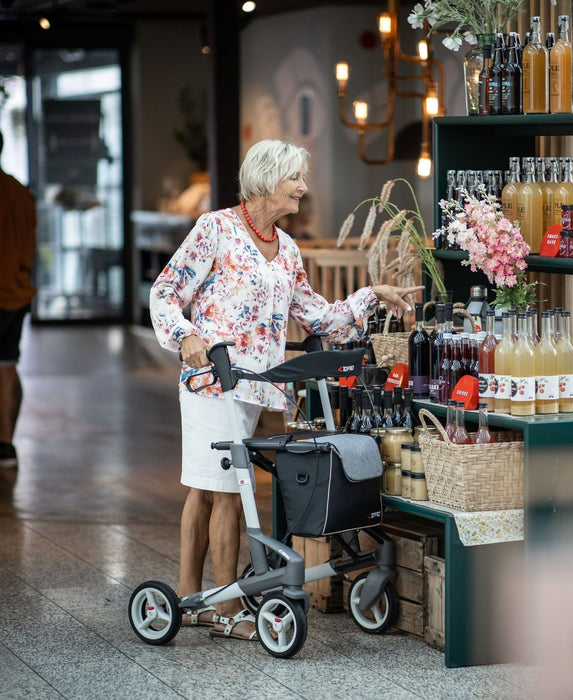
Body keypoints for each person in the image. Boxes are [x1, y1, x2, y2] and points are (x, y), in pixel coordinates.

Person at [150, 139, 422, 641]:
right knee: (226, 490)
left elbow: (318, 315)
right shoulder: (216, 229)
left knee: (207, 488)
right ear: (266, 179)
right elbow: (166, 292)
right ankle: (223, 609)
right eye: (295, 177)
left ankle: (192, 599)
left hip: (257, 388)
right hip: (214, 378)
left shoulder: (288, 248)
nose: (303, 187)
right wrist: (185, 335)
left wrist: (371, 294)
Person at [0, 130, 37, 469]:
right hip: (17, 290)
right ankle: (7, 443)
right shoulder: (20, 192)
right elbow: (29, 245)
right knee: (8, 365)